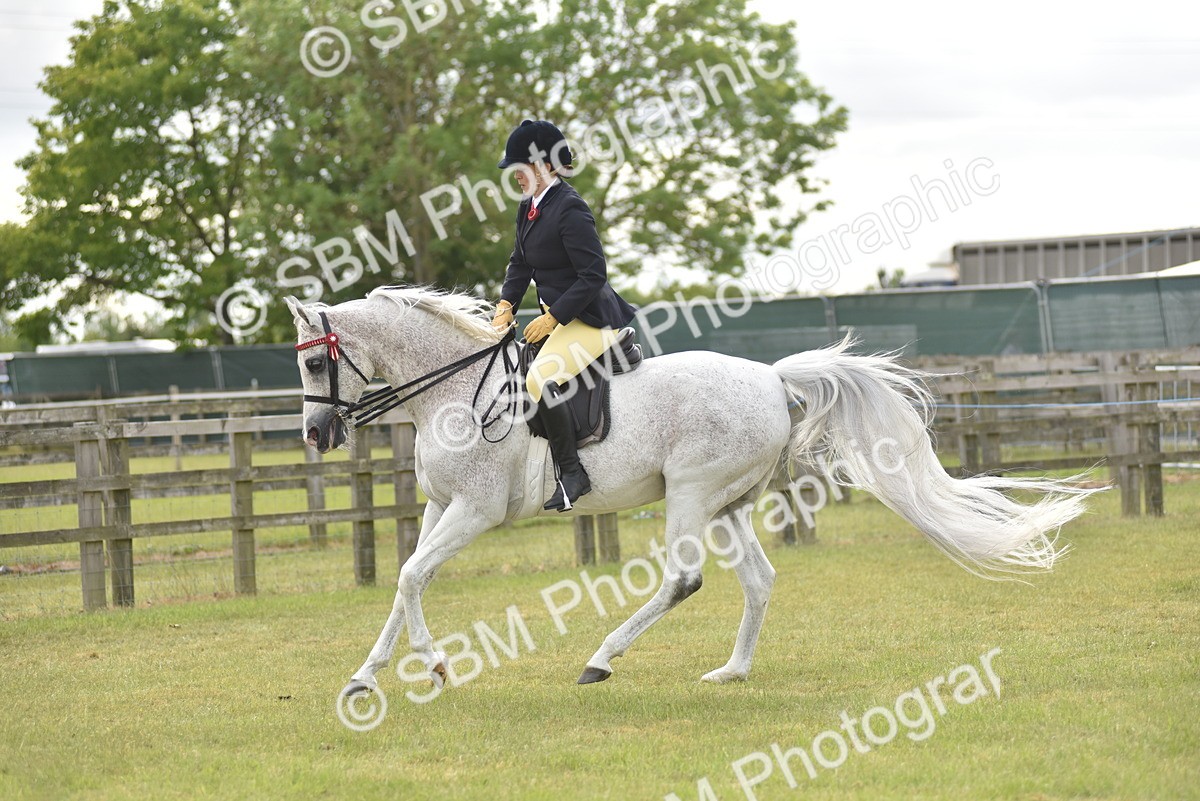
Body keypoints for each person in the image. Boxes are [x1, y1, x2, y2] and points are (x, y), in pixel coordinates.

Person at [491, 119, 638, 512]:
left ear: (545, 167)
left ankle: (573, 473)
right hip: (558, 319)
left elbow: (594, 275)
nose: (517, 177)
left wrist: (554, 317)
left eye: (521, 168)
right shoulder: (529, 208)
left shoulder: (570, 208)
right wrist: (506, 303)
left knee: (541, 378)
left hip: (590, 318)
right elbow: (519, 264)